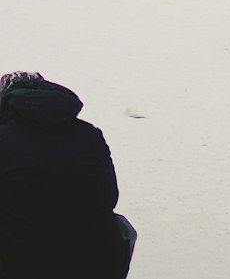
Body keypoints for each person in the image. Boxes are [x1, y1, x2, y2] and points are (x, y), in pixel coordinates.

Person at [0, 70, 136, 277]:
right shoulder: (89, 133)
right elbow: (109, 197)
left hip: (21, 264)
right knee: (121, 227)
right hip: (98, 261)